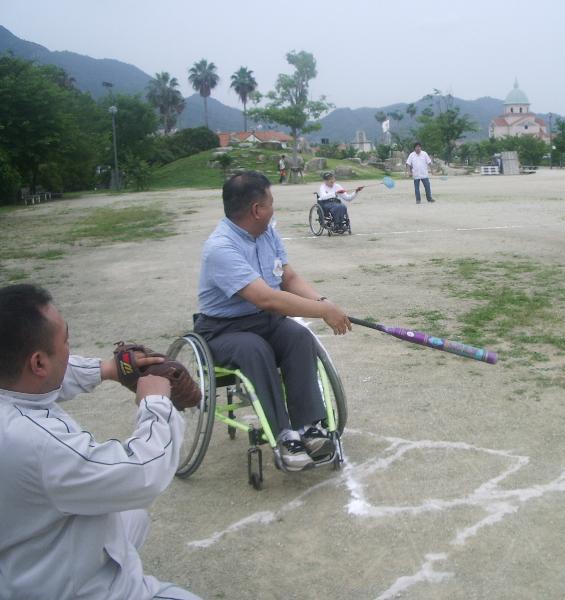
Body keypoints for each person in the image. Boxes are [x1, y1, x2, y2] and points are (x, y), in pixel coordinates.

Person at [0, 284, 198, 600]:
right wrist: (157, 402)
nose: (69, 347)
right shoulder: (35, 443)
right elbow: (141, 473)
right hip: (64, 588)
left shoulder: (13, 386)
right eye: (65, 339)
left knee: (133, 518)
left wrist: (108, 370)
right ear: (38, 363)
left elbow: (50, 376)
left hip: (21, 557)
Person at [195, 171, 352, 471]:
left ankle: (309, 427)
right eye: (270, 202)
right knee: (255, 349)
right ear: (257, 209)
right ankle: (283, 435)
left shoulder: (267, 233)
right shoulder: (220, 248)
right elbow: (265, 297)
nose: (273, 208)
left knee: (299, 337)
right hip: (223, 330)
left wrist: (323, 302)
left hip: (266, 321)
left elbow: (288, 277)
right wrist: (322, 312)